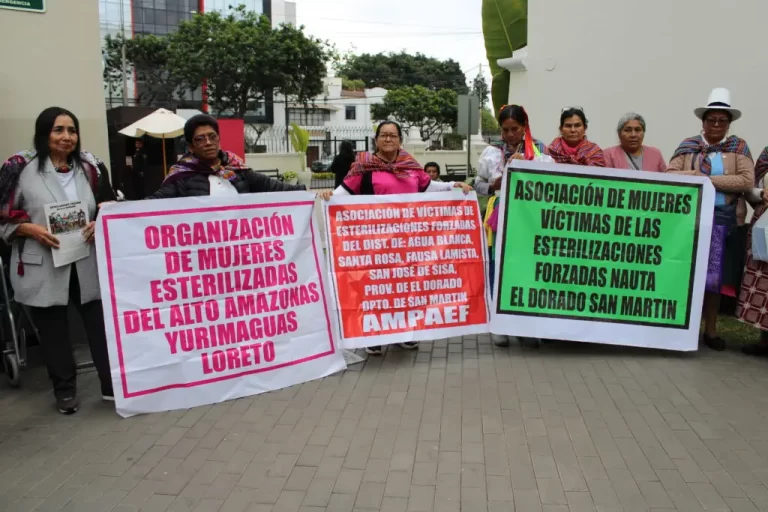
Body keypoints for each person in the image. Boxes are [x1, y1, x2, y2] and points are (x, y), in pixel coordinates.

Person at [0, 107, 116, 414]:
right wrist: (28, 228)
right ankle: (65, 391)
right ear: (43, 134)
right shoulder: (18, 168)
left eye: (72, 130)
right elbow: (2, 218)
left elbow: (108, 205)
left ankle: (111, 386)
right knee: (54, 333)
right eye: (58, 130)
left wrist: (99, 220)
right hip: (42, 262)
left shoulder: (91, 167)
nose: (67, 137)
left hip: (85, 261)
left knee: (100, 325)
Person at [322, 121, 472, 355]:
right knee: (376, 288)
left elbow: (428, 187)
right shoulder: (365, 166)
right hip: (376, 242)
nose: (388, 139)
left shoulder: (410, 165)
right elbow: (345, 192)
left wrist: (454, 185)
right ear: (376, 140)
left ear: (400, 139)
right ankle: (374, 336)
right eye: (384, 135)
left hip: (408, 242)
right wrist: (329, 195)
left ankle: (405, 332)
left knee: (406, 287)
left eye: (393, 136)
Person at [667, 88, 754, 351]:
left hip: (722, 219)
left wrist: (705, 179)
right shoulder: (688, 146)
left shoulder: (738, 149)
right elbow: (671, 174)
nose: (716, 125)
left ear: (729, 124)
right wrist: (697, 175)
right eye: (711, 120)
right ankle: (682, 327)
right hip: (689, 218)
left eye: (722, 121)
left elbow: (746, 180)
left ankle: (711, 330)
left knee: (713, 278)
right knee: (685, 272)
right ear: (703, 122)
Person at [147, 115, 308, 198]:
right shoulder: (181, 177)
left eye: (212, 136)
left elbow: (278, 188)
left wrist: (314, 194)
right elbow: (156, 203)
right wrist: (122, 210)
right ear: (191, 146)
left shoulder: (238, 170)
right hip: (204, 251)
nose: (208, 142)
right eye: (200, 139)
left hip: (239, 250)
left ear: (219, 139)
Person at [737, 147, 768, 356]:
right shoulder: (767, 154)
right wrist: (762, 194)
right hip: (765, 226)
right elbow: (750, 187)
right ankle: (764, 341)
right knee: (764, 283)